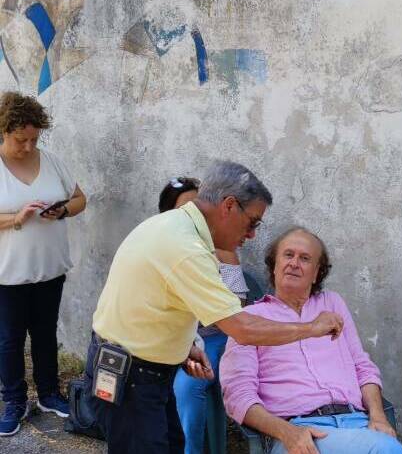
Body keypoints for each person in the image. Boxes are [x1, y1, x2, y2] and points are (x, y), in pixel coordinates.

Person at [85, 161, 344, 454]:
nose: (252, 234)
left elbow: (153, 303)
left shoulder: (174, 226)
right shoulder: (185, 248)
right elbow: (242, 329)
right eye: (253, 222)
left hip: (136, 370)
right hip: (133, 377)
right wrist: (311, 328)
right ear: (229, 206)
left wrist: (185, 346)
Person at [220, 226, 402, 454]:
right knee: (384, 449)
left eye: (305, 258)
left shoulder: (332, 303)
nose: (294, 263)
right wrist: (286, 432)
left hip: (356, 423)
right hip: (299, 431)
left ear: (317, 272)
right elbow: (237, 396)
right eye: (288, 255)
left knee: (382, 444)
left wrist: (378, 415)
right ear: (274, 264)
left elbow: (362, 366)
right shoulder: (250, 321)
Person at [0, 91, 86, 437]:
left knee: (46, 334)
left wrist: (63, 209)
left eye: (35, 139)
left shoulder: (52, 161)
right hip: (7, 275)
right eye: (22, 140)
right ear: (4, 131)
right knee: (8, 340)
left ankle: (50, 394)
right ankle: (14, 401)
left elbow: (81, 199)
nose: (29, 146)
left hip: (50, 269)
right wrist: (16, 219)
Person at [159, 176, 252, 454]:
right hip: (171, 338)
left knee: (189, 385)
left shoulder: (224, 250)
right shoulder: (161, 249)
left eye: (198, 207)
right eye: (184, 209)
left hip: (213, 338)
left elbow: (238, 306)